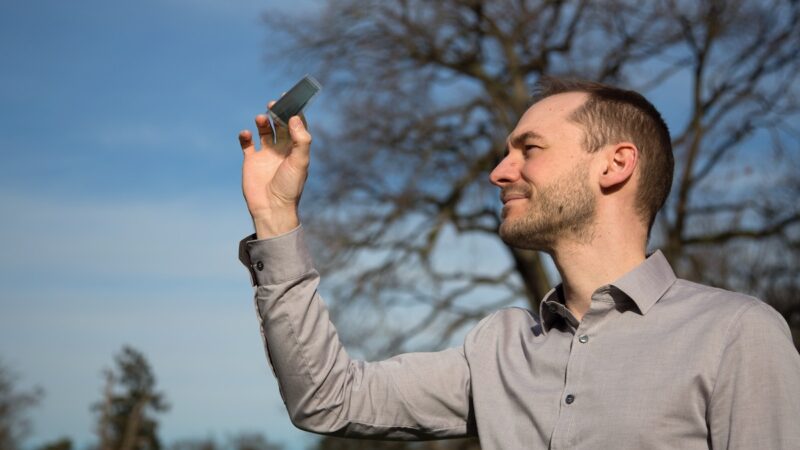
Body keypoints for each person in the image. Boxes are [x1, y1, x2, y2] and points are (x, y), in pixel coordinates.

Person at [236, 78, 800, 449]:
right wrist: (276, 219)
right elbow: (329, 399)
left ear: (615, 165)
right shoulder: (496, 349)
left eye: (529, 149)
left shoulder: (736, 335)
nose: (500, 172)